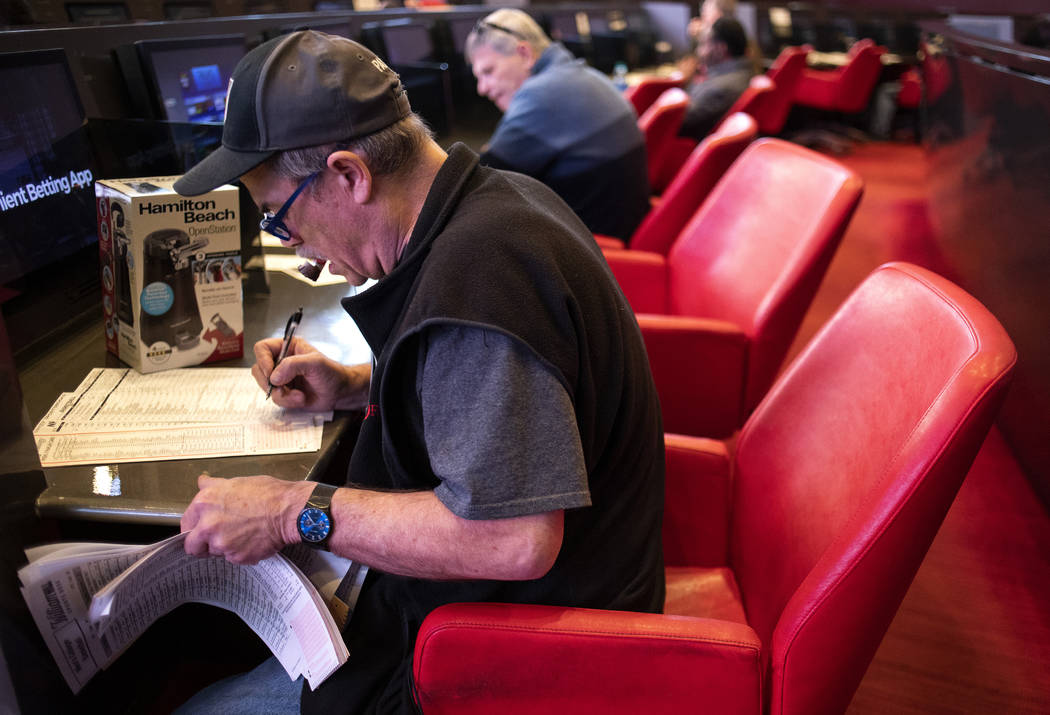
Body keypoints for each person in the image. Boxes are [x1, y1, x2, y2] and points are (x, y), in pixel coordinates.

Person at [171, 30, 665, 714]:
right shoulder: (502, 200)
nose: (304, 257)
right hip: (521, 614)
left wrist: (291, 510)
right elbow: (518, 395)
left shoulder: (480, 276)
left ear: (348, 175)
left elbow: (513, 535)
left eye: (284, 222)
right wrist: (354, 383)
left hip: (518, 661)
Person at [465, 8, 650, 241]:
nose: (482, 89)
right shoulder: (583, 76)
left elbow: (475, 187)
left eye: (488, 72)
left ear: (524, 54)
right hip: (620, 230)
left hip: (596, 253)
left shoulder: (541, 95)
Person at [678, 17, 755, 141]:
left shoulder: (721, 88)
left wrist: (682, 82)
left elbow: (676, 122)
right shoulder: (745, 72)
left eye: (703, 44)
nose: (699, 51)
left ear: (720, 49)